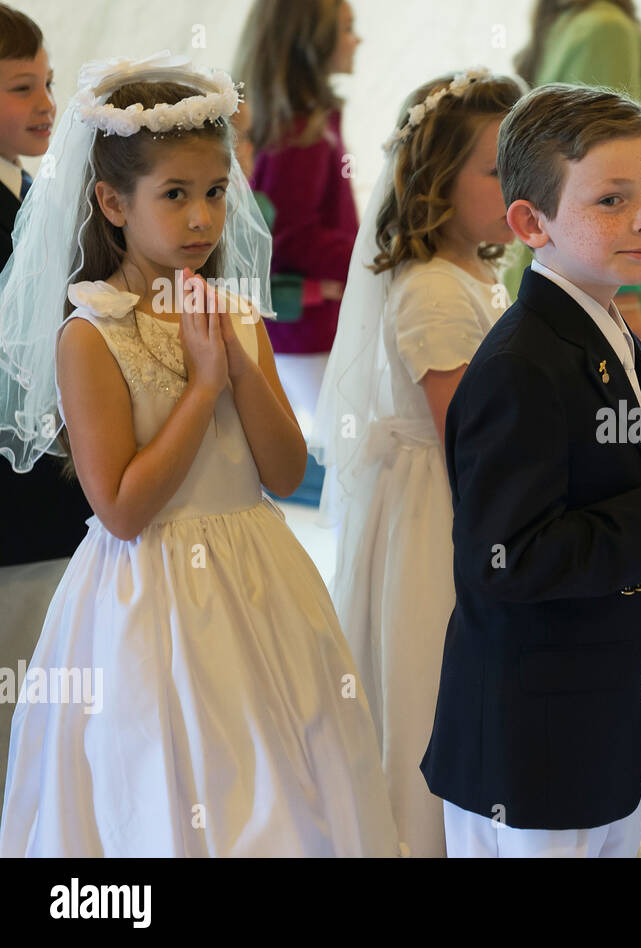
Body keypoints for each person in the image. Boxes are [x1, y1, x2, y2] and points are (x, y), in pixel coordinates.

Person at [0, 53, 399, 857]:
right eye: (174, 196)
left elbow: (286, 473)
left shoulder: (236, 314)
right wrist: (200, 388)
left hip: (259, 578)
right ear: (113, 202)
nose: (200, 220)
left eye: (215, 193)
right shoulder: (92, 332)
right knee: (172, 790)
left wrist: (237, 360)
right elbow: (120, 507)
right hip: (149, 596)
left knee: (285, 785)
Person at [421, 83, 641, 858]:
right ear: (531, 223)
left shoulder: (613, 329)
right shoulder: (519, 365)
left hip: (599, 733)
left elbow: (632, 491)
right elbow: (508, 558)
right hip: (531, 747)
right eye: (611, 200)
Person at [311, 68, 522, 858]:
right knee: (428, 689)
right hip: (439, 515)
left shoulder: (476, 272)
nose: (516, 184)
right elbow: (473, 441)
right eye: (497, 168)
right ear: (435, 177)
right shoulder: (434, 289)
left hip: (444, 504)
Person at [507, 0, 641, 405]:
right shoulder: (605, 28)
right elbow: (600, 161)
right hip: (621, 286)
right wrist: (622, 294)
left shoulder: (572, 22)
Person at [0, 4, 93, 802]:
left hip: (43, 499)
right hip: (12, 506)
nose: (45, 103)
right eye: (22, 86)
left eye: (49, 83)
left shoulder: (29, 191)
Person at [234, 0, 361, 500]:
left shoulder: (305, 119)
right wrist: (373, 260)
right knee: (343, 461)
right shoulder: (300, 128)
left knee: (339, 455)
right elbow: (291, 234)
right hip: (309, 326)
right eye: (348, 29)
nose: (357, 40)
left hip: (310, 320)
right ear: (312, 42)